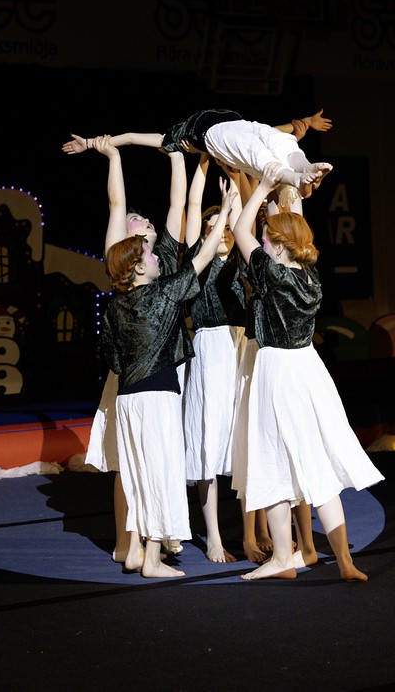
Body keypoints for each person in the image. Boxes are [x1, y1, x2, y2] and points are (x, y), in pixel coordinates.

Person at [231, 162, 385, 582]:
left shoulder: (271, 273)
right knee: (316, 465)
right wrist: (293, 189)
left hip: (278, 369)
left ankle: (283, 558)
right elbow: (289, 224)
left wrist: (262, 188)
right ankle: (345, 561)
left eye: (268, 239)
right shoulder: (312, 278)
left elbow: (241, 229)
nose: (262, 242)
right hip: (309, 370)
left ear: (279, 247)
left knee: (272, 460)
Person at [101, 177, 236, 579]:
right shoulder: (163, 295)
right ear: (139, 267)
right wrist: (225, 212)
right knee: (161, 472)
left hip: (127, 400)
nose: (157, 256)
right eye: (149, 254)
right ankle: (153, 558)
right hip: (158, 397)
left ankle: (133, 550)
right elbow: (204, 255)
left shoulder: (113, 307)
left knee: (137, 474)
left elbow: (111, 357)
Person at [78, 135, 188, 570]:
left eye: (144, 218)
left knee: (154, 458)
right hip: (130, 375)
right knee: (130, 460)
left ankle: (152, 538)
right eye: (134, 220)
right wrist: (112, 155)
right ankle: (131, 544)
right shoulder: (123, 262)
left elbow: (178, 204)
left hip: (162, 367)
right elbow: (116, 203)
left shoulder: (163, 258)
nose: (141, 220)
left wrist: (178, 156)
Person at [181, 154, 246, 563]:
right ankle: (215, 537)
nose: (220, 232)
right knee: (207, 442)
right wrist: (204, 163)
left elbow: (242, 215)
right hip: (209, 352)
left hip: (240, 349)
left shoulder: (242, 263)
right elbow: (192, 208)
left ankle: (255, 533)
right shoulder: (199, 265)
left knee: (244, 442)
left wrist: (233, 172)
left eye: (224, 227)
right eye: (212, 228)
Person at [62, 108, 333, 193]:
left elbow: (274, 131)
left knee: (280, 141)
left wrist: (305, 122)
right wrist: (90, 143)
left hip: (242, 124)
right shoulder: (175, 141)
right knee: (259, 155)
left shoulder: (173, 137)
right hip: (213, 136)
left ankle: (304, 167)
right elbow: (132, 138)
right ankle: (296, 178)